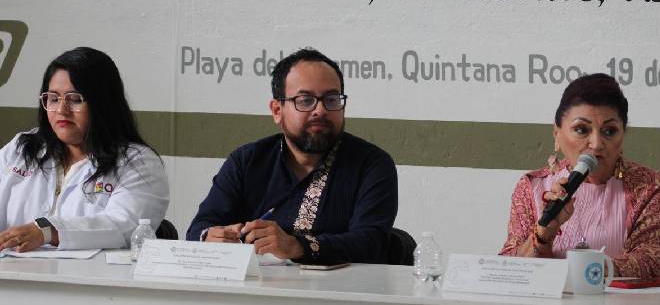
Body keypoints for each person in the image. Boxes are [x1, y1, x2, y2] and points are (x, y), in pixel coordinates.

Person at [187, 48, 398, 264]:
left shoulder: (372, 165)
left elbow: (371, 243)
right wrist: (209, 238)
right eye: (305, 100)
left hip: (342, 285)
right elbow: (199, 227)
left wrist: (297, 246)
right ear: (277, 110)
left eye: (332, 99)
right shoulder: (246, 161)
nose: (320, 110)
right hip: (255, 283)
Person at [500, 73, 660, 279]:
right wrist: (543, 235)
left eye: (609, 131)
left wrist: (591, 272)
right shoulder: (533, 187)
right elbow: (509, 270)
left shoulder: (652, 188)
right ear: (557, 135)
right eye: (581, 129)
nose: (597, 144)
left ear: (622, 136)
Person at [0, 47, 169, 252]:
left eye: (75, 99)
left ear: (103, 103)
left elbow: (124, 225)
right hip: (14, 269)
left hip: (93, 272)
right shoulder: (22, 148)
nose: (61, 110)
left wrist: (47, 231)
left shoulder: (138, 162)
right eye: (54, 98)